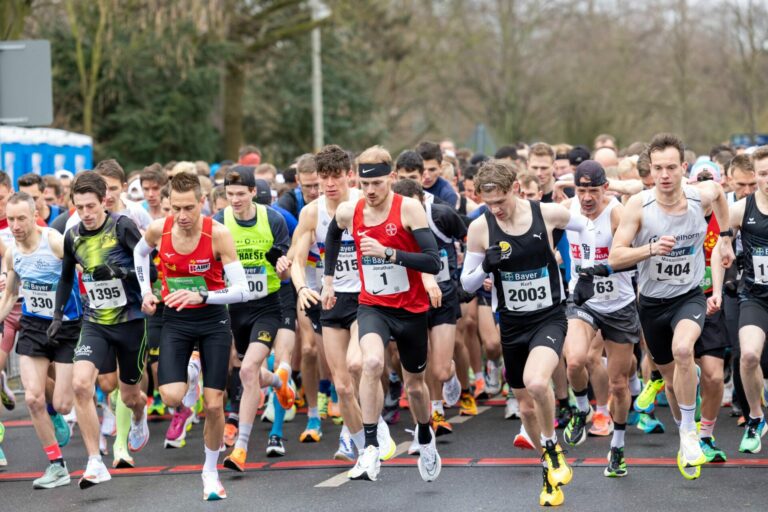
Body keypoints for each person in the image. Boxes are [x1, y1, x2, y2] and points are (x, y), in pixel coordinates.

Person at [461, 159, 597, 506]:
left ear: (516, 190)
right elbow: (466, 283)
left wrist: (585, 274)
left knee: (538, 383)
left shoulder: (546, 214)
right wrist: (484, 268)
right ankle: (548, 471)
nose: (496, 210)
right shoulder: (480, 228)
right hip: (512, 322)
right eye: (488, 204)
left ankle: (552, 449)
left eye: (501, 202)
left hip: (549, 317)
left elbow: (588, 228)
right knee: (525, 407)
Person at [608, 133, 734, 480]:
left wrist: (725, 237)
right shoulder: (639, 205)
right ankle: (684, 428)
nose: (664, 175)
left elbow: (721, 193)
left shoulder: (700, 196)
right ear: (651, 170)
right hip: (651, 303)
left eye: (671, 168)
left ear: (683, 168)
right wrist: (649, 249)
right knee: (668, 375)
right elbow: (616, 256)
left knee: (683, 351)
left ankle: (690, 434)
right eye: (658, 168)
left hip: (689, 295)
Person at [323, 145, 443, 483]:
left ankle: (424, 434)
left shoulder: (410, 210)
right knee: (370, 363)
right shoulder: (351, 211)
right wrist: (329, 281)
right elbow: (333, 234)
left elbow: (432, 261)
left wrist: (391, 254)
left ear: (390, 178)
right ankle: (371, 445)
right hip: (373, 305)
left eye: (376, 184)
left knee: (416, 386)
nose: (370, 191)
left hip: (411, 309)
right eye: (364, 184)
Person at [134, 171, 249, 500]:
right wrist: (146, 291)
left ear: (202, 202)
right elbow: (140, 254)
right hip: (176, 319)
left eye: (189, 208)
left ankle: (210, 472)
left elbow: (242, 290)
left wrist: (205, 297)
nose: (182, 216)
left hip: (213, 320)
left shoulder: (218, 234)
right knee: (170, 396)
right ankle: (191, 373)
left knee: (214, 407)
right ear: (168, 205)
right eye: (175, 209)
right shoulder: (159, 229)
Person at [50, 172, 150, 488]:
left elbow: (151, 268)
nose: (87, 214)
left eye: (91, 206)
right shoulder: (73, 236)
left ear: (104, 199)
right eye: (80, 208)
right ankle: (95, 462)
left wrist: (119, 271)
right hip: (96, 323)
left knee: (130, 394)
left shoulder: (122, 226)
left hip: (131, 321)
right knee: (83, 384)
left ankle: (138, 415)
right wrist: (57, 315)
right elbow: (66, 277)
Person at [211, 166, 294, 472]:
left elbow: (284, 267)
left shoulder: (272, 219)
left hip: (266, 306)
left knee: (247, 372)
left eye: (240, 194)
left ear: (252, 193)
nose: (234, 200)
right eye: (229, 194)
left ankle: (241, 449)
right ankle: (278, 382)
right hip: (235, 308)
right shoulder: (218, 222)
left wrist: (283, 265)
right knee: (253, 375)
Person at [561, 161, 641, 478]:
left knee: (619, 384)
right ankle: (582, 409)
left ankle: (618, 447)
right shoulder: (568, 209)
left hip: (619, 304)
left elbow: (630, 256)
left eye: (593, 190)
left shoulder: (618, 213)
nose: (587, 197)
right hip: (582, 300)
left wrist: (602, 269)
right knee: (575, 361)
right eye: (581, 190)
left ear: (604, 188)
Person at [0, 192, 83, 488]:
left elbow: (81, 274)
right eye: (10, 219)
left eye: (22, 218)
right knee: (33, 398)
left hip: (67, 326)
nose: (16, 225)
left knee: (61, 404)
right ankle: (56, 465)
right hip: (34, 326)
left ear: (34, 215)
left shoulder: (55, 241)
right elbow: (10, 294)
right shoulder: (12, 252)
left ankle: (69, 398)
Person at [392, 179, 468, 443]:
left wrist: (467, 276)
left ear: (423, 201)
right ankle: (432, 416)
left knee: (440, 371)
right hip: (411, 299)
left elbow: (471, 240)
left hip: (444, 297)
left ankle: (451, 372)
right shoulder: (393, 227)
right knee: (418, 369)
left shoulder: (443, 214)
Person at [710, 145, 768, 454]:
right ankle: (755, 418)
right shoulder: (742, 209)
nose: (767, 180)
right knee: (747, 356)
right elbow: (719, 247)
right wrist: (726, 243)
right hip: (755, 296)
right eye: (762, 174)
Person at [416, 141, 459, 207]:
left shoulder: (448, 195)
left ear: (440, 168)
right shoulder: (404, 188)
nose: (427, 176)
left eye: (432, 170)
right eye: (422, 170)